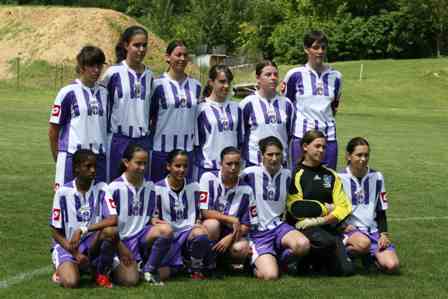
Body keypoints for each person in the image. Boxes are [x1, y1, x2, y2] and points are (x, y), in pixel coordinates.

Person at [241, 136, 310, 280]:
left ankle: (279, 258)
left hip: (279, 227)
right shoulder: (249, 174)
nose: (274, 159)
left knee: (303, 245)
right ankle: (255, 263)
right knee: (270, 276)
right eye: (270, 154)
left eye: (278, 154)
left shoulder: (287, 175)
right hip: (258, 233)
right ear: (261, 155)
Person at [286, 129, 353, 276]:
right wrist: (326, 208)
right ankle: (292, 259)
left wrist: (321, 220)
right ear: (305, 147)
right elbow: (296, 208)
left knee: (346, 271)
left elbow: (344, 207)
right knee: (325, 242)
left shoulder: (331, 175)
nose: (322, 150)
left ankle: (315, 263)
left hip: (325, 226)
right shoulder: (295, 174)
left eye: (324, 147)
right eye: (317, 146)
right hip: (302, 226)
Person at [106, 144, 174, 286]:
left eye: (145, 163)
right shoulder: (114, 187)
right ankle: (115, 267)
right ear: (126, 162)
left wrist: (154, 218)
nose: (142, 168)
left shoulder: (150, 186)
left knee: (166, 230)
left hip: (141, 238)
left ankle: (149, 270)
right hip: (120, 241)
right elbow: (107, 225)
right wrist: (118, 245)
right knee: (130, 280)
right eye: (138, 163)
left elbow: (151, 214)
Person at [50, 149, 117, 288]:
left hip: (91, 243)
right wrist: (75, 253)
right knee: (71, 282)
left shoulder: (102, 188)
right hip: (68, 245)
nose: (93, 170)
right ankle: (69, 268)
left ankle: (101, 272)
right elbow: (55, 232)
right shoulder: (62, 193)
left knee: (111, 231)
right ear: (76, 169)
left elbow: (113, 219)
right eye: (88, 166)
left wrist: (83, 229)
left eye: (94, 167)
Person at [49, 46, 108, 189]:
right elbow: (53, 130)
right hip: (72, 157)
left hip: (98, 158)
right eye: (91, 66)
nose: (96, 70)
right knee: (65, 202)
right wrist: (59, 158)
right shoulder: (67, 92)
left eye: (99, 65)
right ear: (81, 67)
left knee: (95, 204)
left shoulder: (105, 93)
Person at [283, 30, 342, 170]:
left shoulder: (336, 76)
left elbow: (334, 107)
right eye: (315, 47)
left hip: (329, 138)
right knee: (299, 182)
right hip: (302, 137)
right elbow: (287, 106)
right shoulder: (294, 75)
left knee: (327, 182)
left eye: (323, 47)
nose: (320, 51)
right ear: (306, 49)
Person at [102, 25, 154, 182]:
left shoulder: (150, 76)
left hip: (143, 141)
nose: (141, 49)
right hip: (119, 139)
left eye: (144, 45)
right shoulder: (113, 73)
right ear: (126, 45)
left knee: (140, 187)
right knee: (113, 185)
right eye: (136, 45)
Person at [339, 137, 399, 273]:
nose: (363, 159)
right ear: (348, 156)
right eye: (359, 155)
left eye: (366, 155)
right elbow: (334, 209)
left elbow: (381, 209)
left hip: (373, 231)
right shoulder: (338, 178)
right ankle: (341, 255)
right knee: (362, 244)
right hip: (351, 231)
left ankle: (369, 258)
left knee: (392, 265)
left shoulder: (377, 177)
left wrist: (384, 234)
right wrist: (342, 225)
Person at [154, 150, 215, 280]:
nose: (182, 170)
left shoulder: (195, 186)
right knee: (159, 273)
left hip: (188, 234)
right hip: (169, 238)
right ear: (168, 166)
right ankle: (180, 266)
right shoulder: (156, 189)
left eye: (185, 166)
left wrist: (198, 223)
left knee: (201, 234)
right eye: (177, 166)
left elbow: (200, 213)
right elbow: (153, 217)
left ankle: (195, 267)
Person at [150, 40, 201, 182]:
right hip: (162, 150)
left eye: (185, 55)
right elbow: (150, 116)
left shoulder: (196, 85)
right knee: (160, 195)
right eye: (178, 55)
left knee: (186, 195)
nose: (182, 59)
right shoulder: (157, 84)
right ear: (167, 57)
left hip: (187, 151)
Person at [199, 147, 251, 268]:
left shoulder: (247, 190)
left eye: (236, 164)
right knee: (212, 224)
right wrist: (230, 219)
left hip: (232, 233)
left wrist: (231, 237)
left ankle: (224, 262)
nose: (233, 168)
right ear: (220, 164)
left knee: (242, 248)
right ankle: (208, 261)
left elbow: (246, 225)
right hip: (210, 228)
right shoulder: (208, 178)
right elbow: (205, 211)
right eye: (229, 164)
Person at [240, 61, 295, 168]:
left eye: (275, 74)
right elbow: (241, 136)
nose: (273, 78)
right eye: (268, 75)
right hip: (254, 163)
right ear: (258, 77)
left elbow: (289, 136)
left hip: (279, 164)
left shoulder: (287, 104)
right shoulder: (247, 103)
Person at [194, 65, 242, 180]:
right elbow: (195, 144)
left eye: (228, 82)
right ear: (211, 82)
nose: (226, 86)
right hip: (207, 170)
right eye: (222, 82)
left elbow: (240, 142)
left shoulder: (236, 108)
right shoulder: (200, 109)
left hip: (232, 170)